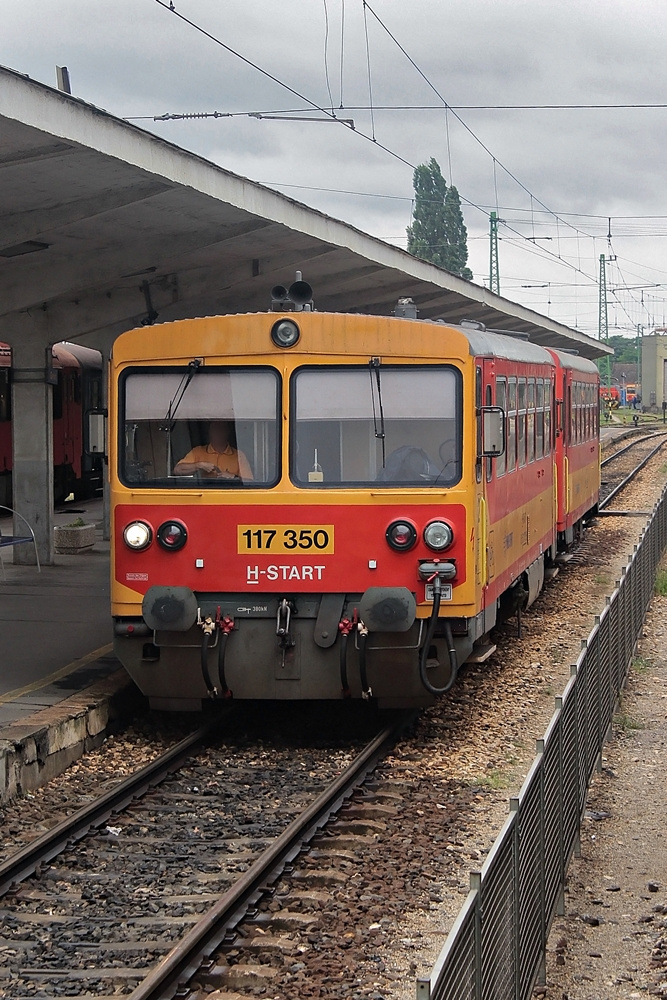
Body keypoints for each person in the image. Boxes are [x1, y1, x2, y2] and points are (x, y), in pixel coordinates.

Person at [173, 421, 253, 480]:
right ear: (209, 432)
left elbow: (249, 482)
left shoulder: (239, 455)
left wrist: (233, 477)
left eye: (221, 429)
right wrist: (199, 465)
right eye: (215, 429)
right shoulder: (198, 451)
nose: (218, 432)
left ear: (228, 432)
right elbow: (177, 470)